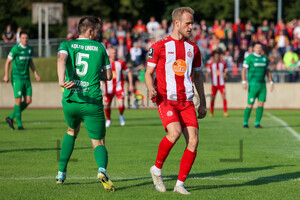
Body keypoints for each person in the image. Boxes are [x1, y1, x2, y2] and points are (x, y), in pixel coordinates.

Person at [145, 7, 207, 195]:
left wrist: (202, 102)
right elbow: (148, 74)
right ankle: (156, 169)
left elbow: (198, 77)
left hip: (187, 101)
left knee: (194, 141)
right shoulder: (159, 46)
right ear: (177, 23)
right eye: (188, 23)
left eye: (192, 23)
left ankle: (179, 184)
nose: (191, 26)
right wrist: (150, 89)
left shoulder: (193, 49)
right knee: (175, 133)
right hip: (166, 99)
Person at [55, 16, 115, 192]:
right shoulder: (99, 48)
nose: (98, 34)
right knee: (98, 141)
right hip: (92, 101)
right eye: (97, 31)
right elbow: (109, 76)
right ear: (90, 31)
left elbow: (61, 61)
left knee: (71, 131)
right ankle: (102, 170)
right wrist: (97, 75)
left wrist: (61, 81)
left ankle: (61, 173)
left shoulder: (67, 45)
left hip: (71, 100)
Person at [3, 31, 40, 130]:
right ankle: (19, 125)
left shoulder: (30, 49)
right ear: (20, 39)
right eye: (23, 38)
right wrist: (6, 75)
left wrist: (35, 73)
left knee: (28, 101)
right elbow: (7, 62)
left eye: (26, 38)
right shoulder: (16, 49)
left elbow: (30, 62)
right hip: (17, 77)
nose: (25, 39)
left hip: (26, 78)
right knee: (18, 101)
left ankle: (10, 117)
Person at [242, 42, 274, 128]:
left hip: (262, 85)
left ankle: (257, 123)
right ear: (254, 49)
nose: (259, 49)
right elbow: (244, 70)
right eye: (257, 47)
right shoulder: (250, 58)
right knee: (250, 104)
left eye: (260, 47)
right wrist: (244, 82)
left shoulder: (265, 58)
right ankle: (245, 123)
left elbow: (268, 71)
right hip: (253, 85)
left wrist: (271, 82)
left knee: (261, 104)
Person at [104, 46, 133, 127]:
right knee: (107, 106)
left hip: (119, 87)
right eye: (112, 53)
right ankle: (109, 119)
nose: (113, 54)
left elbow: (129, 71)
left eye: (115, 53)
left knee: (121, 104)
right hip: (109, 88)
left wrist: (130, 84)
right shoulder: (105, 63)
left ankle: (121, 115)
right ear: (109, 53)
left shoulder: (121, 62)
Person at [206, 51, 229, 117]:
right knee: (212, 98)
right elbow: (207, 73)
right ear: (214, 57)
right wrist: (207, 80)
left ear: (219, 57)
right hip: (214, 84)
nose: (217, 58)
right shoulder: (211, 64)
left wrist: (225, 74)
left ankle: (225, 112)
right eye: (216, 57)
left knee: (224, 97)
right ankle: (211, 112)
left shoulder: (223, 64)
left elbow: (226, 72)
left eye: (218, 57)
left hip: (221, 84)